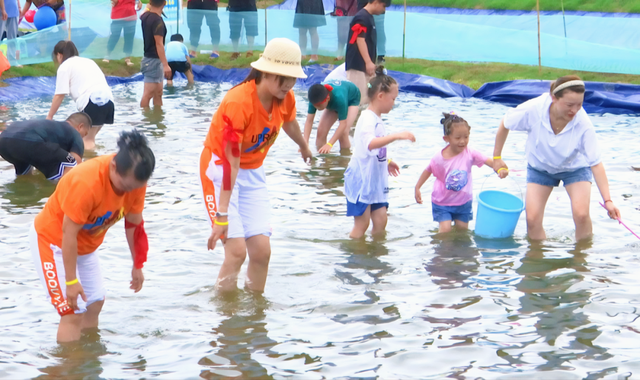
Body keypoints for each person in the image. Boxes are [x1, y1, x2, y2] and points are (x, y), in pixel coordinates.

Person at [199, 38, 312, 293]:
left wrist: (304, 146)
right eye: (285, 78)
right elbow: (231, 163)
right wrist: (222, 215)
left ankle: (255, 315)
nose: (290, 85)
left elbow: (290, 122)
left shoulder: (285, 97)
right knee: (237, 252)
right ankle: (225, 319)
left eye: (294, 78)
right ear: (267, 72)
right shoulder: (239, 103)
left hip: (253, 170)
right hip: (220, 169)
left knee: (261, 252)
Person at [29, 130, 155, 343]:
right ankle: (69, 370)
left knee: (95, 302)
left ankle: (88, 363)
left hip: (86, 246)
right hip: (53, 242)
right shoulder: (86, 182)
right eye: (124, 186)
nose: (128, 193)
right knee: (72, 311)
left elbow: (134, 225)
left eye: (134, 188)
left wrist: (138, 263)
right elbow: (68, 234)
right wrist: (71, 280)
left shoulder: (136, 183)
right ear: (113, 165)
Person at [492, 75, 621, 241]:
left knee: (581, 214)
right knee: (532, 219)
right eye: (569, 105)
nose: (574, 110)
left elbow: (596, 164)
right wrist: (497, 157)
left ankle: (582, 258)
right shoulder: (534, 109)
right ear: (553, 98)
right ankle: (538, 259)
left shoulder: (583, 124)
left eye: (579, 105)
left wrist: (608, 200)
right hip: (540, 167)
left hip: (575, 169)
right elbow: (505, 123)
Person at [344, 68, 415, 239]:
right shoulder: (367, 118)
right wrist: (396, 136)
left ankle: (375, 258)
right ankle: (355, 259)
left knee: (381, 219)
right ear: (381, 96)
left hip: (374, 179)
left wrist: (386, 160)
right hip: (362, 179)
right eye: (393, 99)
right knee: (362, 223)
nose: (394, 103)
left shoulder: (376, 118)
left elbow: (371, 148)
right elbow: (369, 143)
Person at [414, 112, 507, 233]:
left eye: (466, 137)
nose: (463, 141)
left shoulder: (470, 153)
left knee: (462, 232)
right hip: (442, 201)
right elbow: (428, 170)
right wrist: (418, 187)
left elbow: (488, 161)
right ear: (446, 139)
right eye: (458, 138)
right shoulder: (439, 157)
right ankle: (442, 250)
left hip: (463, 202)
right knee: (445, 231)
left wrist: (500, 169)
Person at [48, 40, 115, 151]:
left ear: (59, 55)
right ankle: (93, 161)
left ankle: (87, 165)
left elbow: (59, 95)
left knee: (86, 142)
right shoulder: (88, 61)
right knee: (90, 139)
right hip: (108, 102)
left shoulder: (64, 66)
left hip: (92, 102)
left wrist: (49, 117)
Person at [0, 113, 90, 181]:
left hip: (3, 141)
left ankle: (23, 202)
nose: (82, 137)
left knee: (24, 177)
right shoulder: (74, 132)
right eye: (84, 134)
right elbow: (77, 165)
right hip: (30, 142)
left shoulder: (50, 126)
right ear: (80, 127)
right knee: (72, 163)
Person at [345, 0, 389, 105]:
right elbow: (360, 39)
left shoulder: (369, 17)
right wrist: (368, 62)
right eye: (383, 6)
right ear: (376, 2)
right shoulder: (361, 18)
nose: (384, 10)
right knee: (358, 101)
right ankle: (353, 121)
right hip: (357, 66)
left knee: (368, 98)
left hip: (365, 67)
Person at [304, 79, 360, 153]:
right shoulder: (314, 99)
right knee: (321, 132)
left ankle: (345, 161)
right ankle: (324, 161)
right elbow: (309, 121)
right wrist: (304, 144)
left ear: (327, 98)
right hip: (333, 100)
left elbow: (343, 124)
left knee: (343, 133)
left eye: (319, 105)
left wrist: (330, 144)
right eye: (315, 106)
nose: (317, 108)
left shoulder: (339, 98)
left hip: (352, 100)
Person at [140, 0, 170, 108]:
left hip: (151, 60)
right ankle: (146, 119)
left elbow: (142, 13)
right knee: (148, 94)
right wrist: (165, 65)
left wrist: (149, 5)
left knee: (158, 93)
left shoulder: (145, 16)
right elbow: (159, 44)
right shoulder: (158, 22)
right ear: (164, 3)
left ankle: (157, 117)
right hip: (153, 60)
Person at [104, 0, 143, 66]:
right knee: (114, 36)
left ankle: (127, 58)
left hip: (131, 16)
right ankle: (107, 56)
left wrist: (139, 2)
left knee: (129, 38)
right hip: (117, 16)